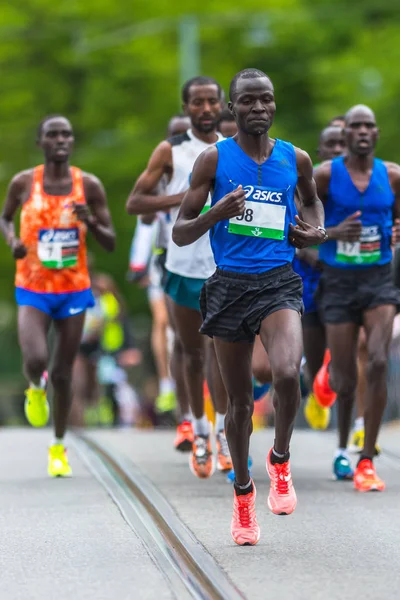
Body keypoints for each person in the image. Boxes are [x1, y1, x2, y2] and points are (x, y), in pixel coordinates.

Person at [172, 68, 326, 545]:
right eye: (249, 101)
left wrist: (314, 232)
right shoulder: (212, 161)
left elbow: (314, 205)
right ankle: (243, 495)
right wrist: (217, 212)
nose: (259, 108)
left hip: (278, 282)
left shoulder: (294, 158)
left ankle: (279, 459)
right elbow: (180, 231)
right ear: (230, 109)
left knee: (285, 371)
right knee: (237, 406)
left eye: (267, 100)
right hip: (227, 287)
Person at [126, 77, 232, 477]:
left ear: (222, 105)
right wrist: (185, 197)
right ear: (186, 107)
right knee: (191, 352)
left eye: (212, 102)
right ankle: (199, 431)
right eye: (197, 103)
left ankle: (222, 432)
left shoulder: (233, 148)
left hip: (226, 266)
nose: (206, 109)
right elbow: (135, 202)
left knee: (222, 353)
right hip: (183, 264)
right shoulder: (170, 150)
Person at [0, 114, 115, 476]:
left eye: (66, 133)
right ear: (41, 142)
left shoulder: (89, 186)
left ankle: (58, 446)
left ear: (72, 141)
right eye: (53, 134)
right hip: (33, 287)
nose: (61, 139)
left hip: (74, 290)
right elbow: (4, 218)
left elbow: (109, 243)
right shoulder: (24, 182)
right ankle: (36, 387)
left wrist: (90, 222)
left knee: (64, 373)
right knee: (36, 359)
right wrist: (13, 242)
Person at [314, 104, 400, 491]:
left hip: (379, 281)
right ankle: (343, 447)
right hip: (338, 282)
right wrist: (333, 233)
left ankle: (366, 459)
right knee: (345, 377)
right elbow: (298, 223)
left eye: (369, 125)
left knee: (379, 360)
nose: (363, 131)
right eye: (356, 126)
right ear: (344, 134)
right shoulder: (324, 176)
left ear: (376, 134)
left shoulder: (393, 176)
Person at [297, 125, 346, 430]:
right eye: (331, 145)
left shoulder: (365, 185)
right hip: (312, 279)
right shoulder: (308, 187)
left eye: (343, 143)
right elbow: (299, 238)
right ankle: (315, 384)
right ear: (320, 153)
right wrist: (324, 256)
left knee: (359, 347)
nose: (338, 150)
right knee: (316, 361)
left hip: (351, 282)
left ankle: (358, 427)